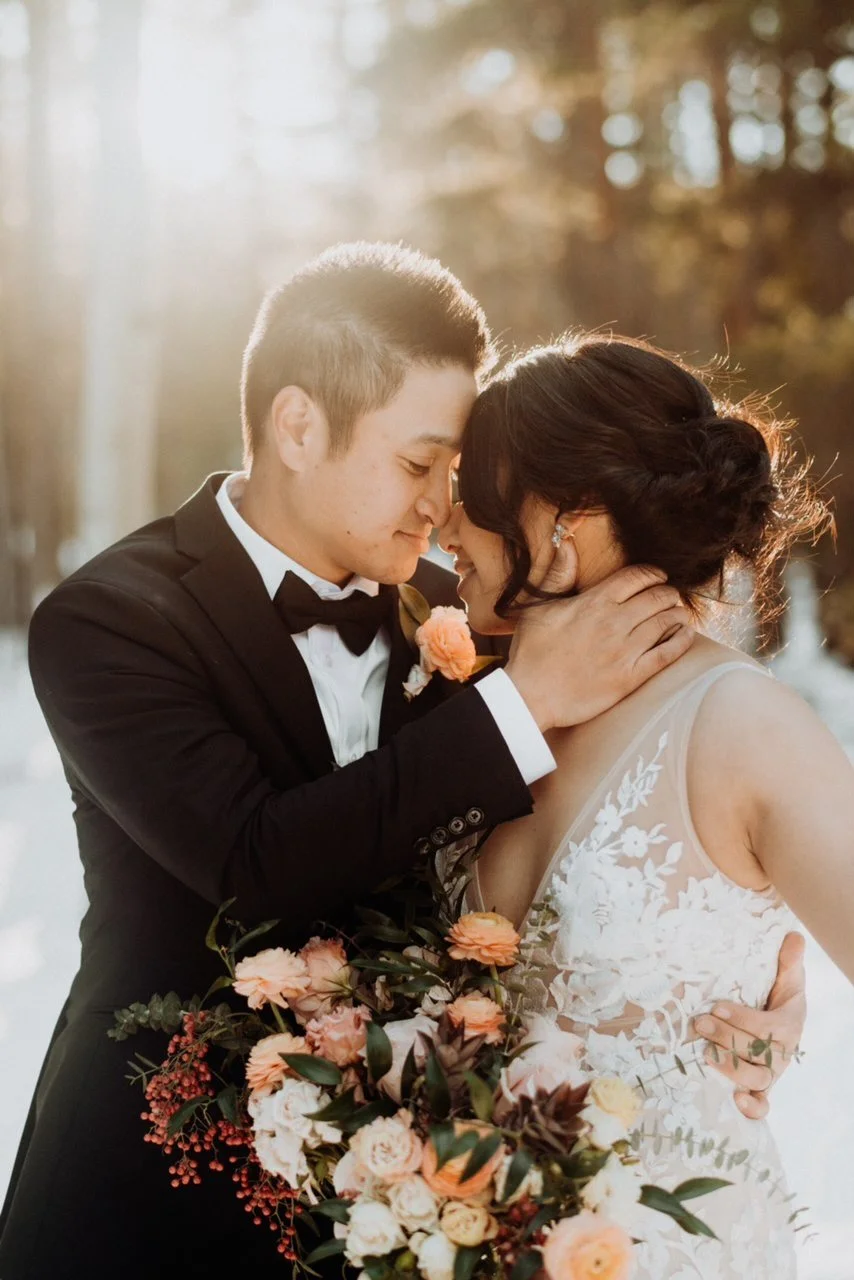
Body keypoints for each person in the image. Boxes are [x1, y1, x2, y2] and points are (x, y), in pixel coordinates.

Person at [0, 245, 800, 1279]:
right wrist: (520, 702)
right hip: (152, 1196)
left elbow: (621, 804)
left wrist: (728, 993)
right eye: (418, 462)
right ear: (297, 425)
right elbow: (254, 868)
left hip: (413, 1210)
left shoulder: (471, 597)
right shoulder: (109, 620)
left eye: (455, 472)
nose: (439, 504)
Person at [437, 331, 848, 1277]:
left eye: (476, 500)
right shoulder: (478, 710)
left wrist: (775, 1017)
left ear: (564, 525)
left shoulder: (741, 723)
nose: (445, 530)